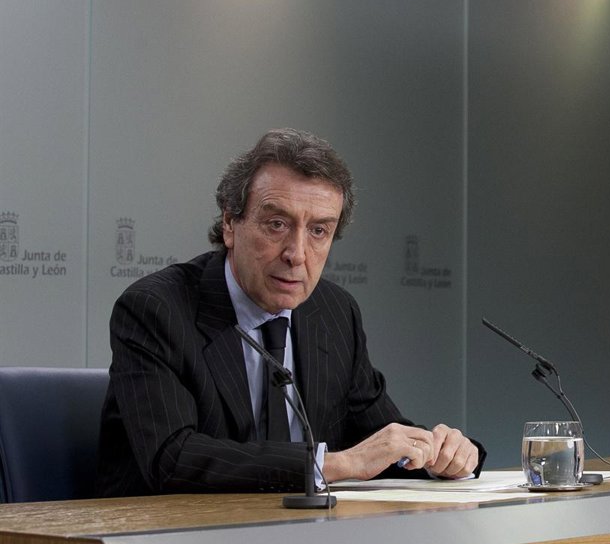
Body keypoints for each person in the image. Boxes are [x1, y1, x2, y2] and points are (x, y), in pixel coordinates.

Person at [97, 128, 482, 496]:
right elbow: (173, 458)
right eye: (277, 224)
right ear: (230, 223)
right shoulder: (157, 309)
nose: (297, 254)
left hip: (302, 532)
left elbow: (377, 440)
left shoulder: (333, 314)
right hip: (165, 533)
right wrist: (332, 465)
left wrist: (438, 455)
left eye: (318, 231)